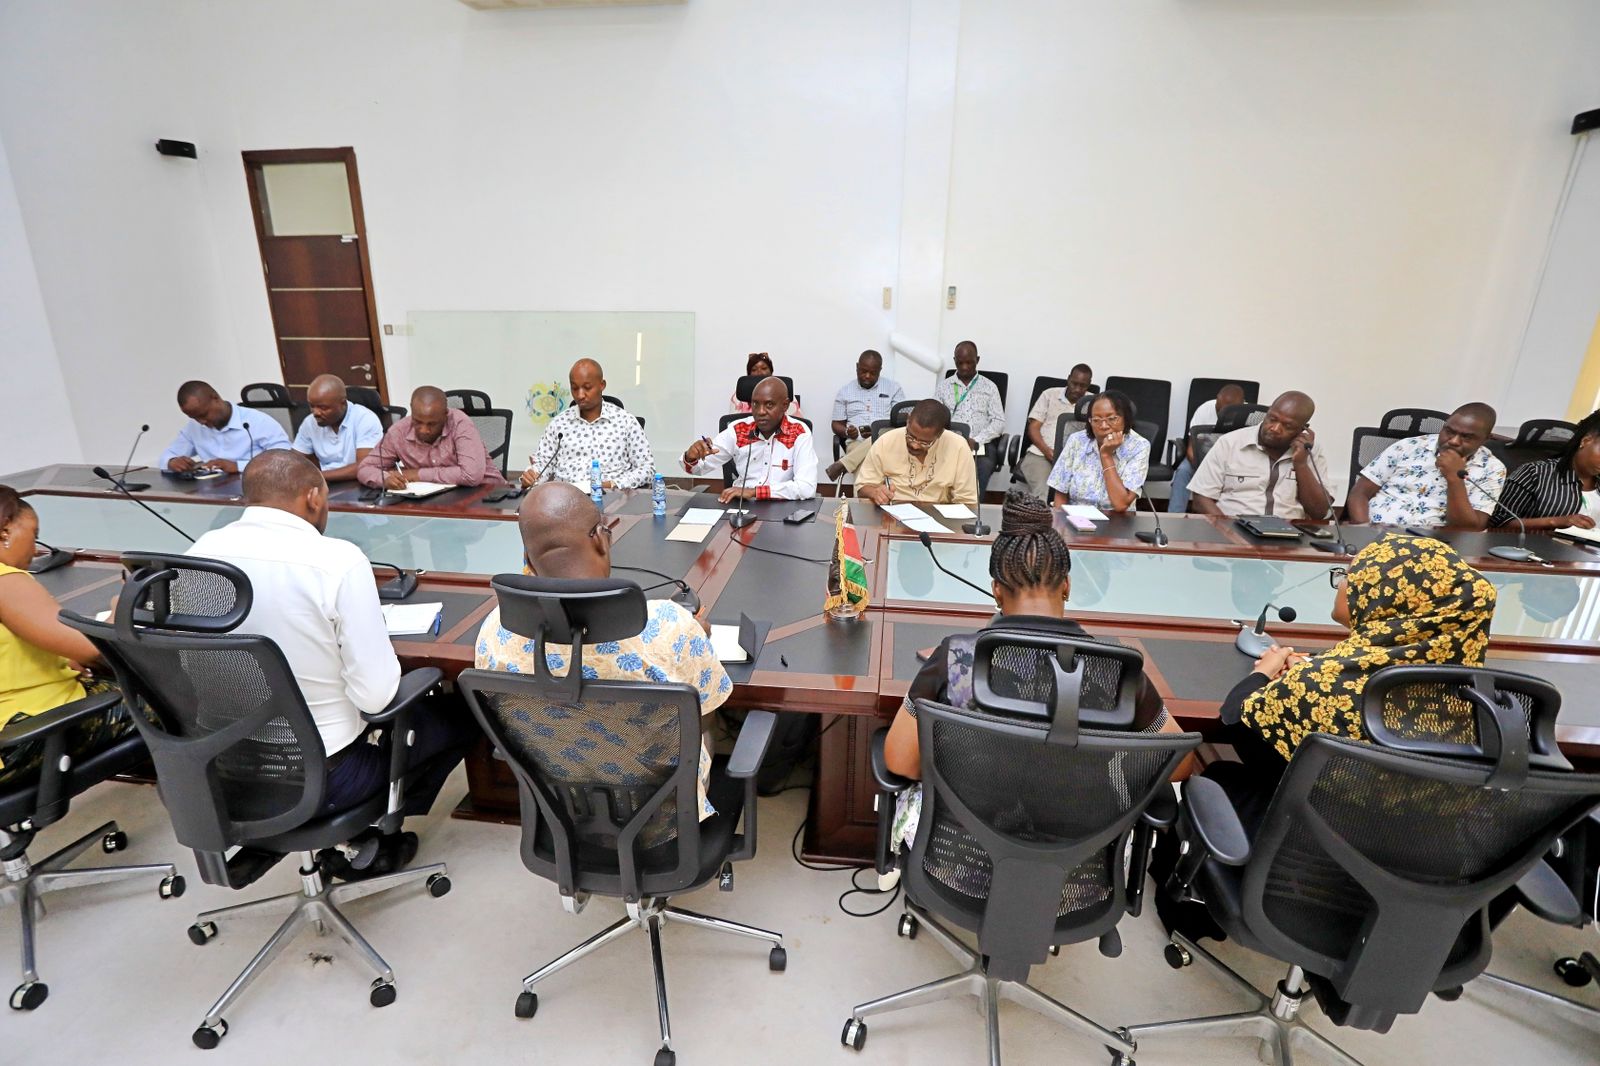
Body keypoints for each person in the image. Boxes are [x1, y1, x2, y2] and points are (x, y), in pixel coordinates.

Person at [1153, 533, 1497, 939]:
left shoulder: (1322, 688)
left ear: (1386, 597)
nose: (1344, 584)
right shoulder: (1483, 701)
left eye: (1350, 576)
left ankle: (1195, 909)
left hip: (1305, 871)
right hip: (1402, 894)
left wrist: (1265, 674)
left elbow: (1238, 726)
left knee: (1222, 776)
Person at [187, 450, 475, 874]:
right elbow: (377, 699)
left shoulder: (196, 555)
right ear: (314, 497)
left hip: (223, 770)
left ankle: (318, 831)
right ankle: (376, 838)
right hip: (327, 779)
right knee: (461, 716)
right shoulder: (335, 562)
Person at [881, 492, 1194, 845]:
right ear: (1067, 586)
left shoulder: (956, 658)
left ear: (996, 592)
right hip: (1079, 873)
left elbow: (899, 761)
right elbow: (1179, 765)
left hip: (961, 862)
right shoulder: (1115, 669)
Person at [474, 483, 732, 827]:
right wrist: (695, 633)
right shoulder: (672, 626)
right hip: (664, 824)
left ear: (527, 559)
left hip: (561, 815)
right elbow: (711, 701)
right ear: (599, 539)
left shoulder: (495, 629)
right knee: (707, 715)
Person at [0, 487, 143, 786]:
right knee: (175, 702)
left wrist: (61, 655)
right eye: (34, 534)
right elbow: (94, 649)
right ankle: (213, 812)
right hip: (26, 732)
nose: (35, 549)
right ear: (5, 530)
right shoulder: (5, 581)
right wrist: (120, 608)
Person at [1345, 402, 1505, 530]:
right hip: (1375, 534)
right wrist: (1363, 532)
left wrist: (1454, 479)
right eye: (1449, 431)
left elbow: (1469, 528)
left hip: (1436, 547)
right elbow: (1360, 493)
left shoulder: (1492, 469)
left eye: (1467, 437)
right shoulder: (1408, 446)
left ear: (1486, 439)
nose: (1454, 441)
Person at [1187, 391, 1332, 520]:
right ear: (1267, 412)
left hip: (1289, 534)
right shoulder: (1230, 443)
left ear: (1303, 429)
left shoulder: (1310, 451)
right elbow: (1201, 499)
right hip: (1235, 528)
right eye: (1272, 419)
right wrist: (1228, 532)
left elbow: (1319, 512)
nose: (1275, 428)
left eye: (1287, 426)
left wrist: (1301, 464)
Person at [521, 359, 655, 490]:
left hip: (610, 499)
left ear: (602, 385)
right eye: (574, 388)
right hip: (564, 500)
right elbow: (543, 463)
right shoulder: (559, 424)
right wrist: (532, 475)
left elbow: (647, 469)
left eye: (587, 388)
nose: (580, 395)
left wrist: (612, 484)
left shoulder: (626, 422)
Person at [682, 377, 817, 501]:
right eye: (755, 404)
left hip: (782, 509)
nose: (760, 411)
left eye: (769, 405)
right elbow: (698, 468)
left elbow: (806, 488)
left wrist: (754, 492)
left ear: (785, 405)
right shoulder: (738, 430)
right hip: (741, 507)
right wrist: (691, 457)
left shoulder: (799, 432)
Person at [357, 385, 506, 490]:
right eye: (418, 422)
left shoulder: (460, 423)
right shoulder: (399, 431)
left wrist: (417, 474)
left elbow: (471, 475)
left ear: (445, 415)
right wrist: (385, 479)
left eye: (432, 424)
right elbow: (365, 468)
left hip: (486, 493)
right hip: (435, 500)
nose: (424, 430)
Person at [856, 399, 978, 507]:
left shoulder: (959, 447)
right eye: (911, 437)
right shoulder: (886, 441)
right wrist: (875, 492)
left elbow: (968, 501)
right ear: (908, 420)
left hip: (939, 519)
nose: (915, 445)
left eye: (924, 442)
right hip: (892, 515)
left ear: (940, 434)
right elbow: (862, 487)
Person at [1492, 409, 1600, 532]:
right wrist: (1554, 521)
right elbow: (1498, 522)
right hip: (1534, 549)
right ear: (1586, 441)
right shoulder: (1534, 473)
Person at [1047, 389, 1149, 513]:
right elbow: (1060, 494)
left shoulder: (1139, 446)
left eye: (1112, 419)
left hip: (1117, 522)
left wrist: (1106, 455)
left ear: (1125, 419)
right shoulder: (1077, 441)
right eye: (1096, 420)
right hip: (1076, 518)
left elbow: (1121, 504)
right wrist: (1060, 525)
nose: (1104, 426)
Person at [159, 380, 291, 475]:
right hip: (214, 491)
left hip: (256, 487)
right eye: (194, 418)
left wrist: (238, 466)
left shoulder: (258, 422)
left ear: (215, 399)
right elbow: (168, 455)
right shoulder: (193, 427)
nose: (202, 421)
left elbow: (285, 460)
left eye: (203, 414)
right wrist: (172, 461)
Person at [933, 341, 1007, 495]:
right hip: (949, 442)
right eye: (960, 363)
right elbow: (934, 417)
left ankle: (973, 509)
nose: (965, 367)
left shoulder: (990, 387)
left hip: (980, 444)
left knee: (983, 468)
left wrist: (977, 440)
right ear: (955, 361)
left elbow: (999, 422)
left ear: (977, 360)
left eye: (970, 363)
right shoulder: (943, 387)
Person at [824, 350, 905, 482]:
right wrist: (847, 432)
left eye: (873, 373)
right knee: (865, 463)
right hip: (856, 442)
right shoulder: (845, 392)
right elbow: (836, 424)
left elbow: (902, 418)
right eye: (863, 371)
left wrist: (880, 430)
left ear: (880, 370)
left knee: (880, 436)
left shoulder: (893, 388)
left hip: (885, 442)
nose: (867, 376)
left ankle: (843, 464)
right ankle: (863, 501)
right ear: (857, 367)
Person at [1019, 363, 1095, 498]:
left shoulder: (1094, 402)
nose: (1077, 389)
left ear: (1088, 385)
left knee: (1083, 494)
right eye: (1074, 383)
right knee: (1043, 492)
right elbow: (1033, 428)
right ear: (1068, 379)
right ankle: (1041, 519)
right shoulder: (1049, 395)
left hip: (1077, 461)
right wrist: (1046, 450)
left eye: (1082, 386)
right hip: (1041, 455)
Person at [1167, 383, 1245, 514]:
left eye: (1228, 411)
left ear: (1242, 404)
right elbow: (1191, 449)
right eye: (1219, 408)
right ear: (1217, 399)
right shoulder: (1205, 409)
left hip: (1233, 461)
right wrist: (1205, 469)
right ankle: (1173, 516)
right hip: (1201, 458)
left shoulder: (1249, 414)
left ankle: (1230, 521)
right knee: (1183, 471)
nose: (1222, 413)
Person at [291, 373, 384, 483]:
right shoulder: (310, 422)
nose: (315, 413)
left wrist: (318, 476)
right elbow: (293, 460)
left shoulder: (365, 419)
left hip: (359, 483)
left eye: (323, 408)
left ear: (343, 403)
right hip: (325, 484)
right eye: (312, 406)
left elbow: (366, 466)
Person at [728, 352, 803, 419]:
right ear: (749, 374)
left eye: (764, 368)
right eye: (754, 369)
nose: (759, 373)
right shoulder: (739, 395)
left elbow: (796, 421)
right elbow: (731, 421)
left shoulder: (784, 390)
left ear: (771, 372)